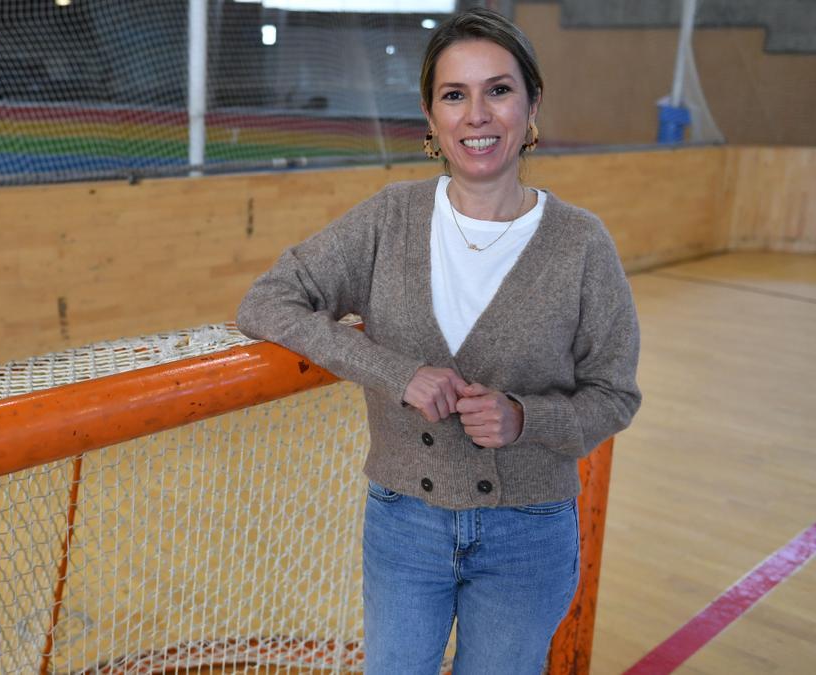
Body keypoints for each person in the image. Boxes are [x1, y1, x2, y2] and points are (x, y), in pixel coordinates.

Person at [236, 8, 641, 674]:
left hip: (529, 528)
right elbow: (266, 301)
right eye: (455, 95)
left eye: (498, 90)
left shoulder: (581, 243)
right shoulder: (390, 217)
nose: (476, 114)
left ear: (532, 103)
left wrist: (523, 417)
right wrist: (396, 372)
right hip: (405, 524)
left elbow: (614, 394)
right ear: (431, 116)